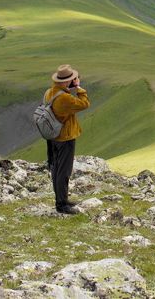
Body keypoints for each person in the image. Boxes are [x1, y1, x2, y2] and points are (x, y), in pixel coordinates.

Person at [44, 64, 90, 214]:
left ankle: (61, 199)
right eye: (72, 79)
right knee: (64, 171)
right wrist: (79, 88)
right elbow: (84, 103)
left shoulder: (50, 92)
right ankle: (62, 205)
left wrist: (70, 88)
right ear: (65, 82)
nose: (74, 81)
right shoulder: (64, 98)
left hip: (53, 137)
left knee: (57, 169)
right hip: (65, 137)